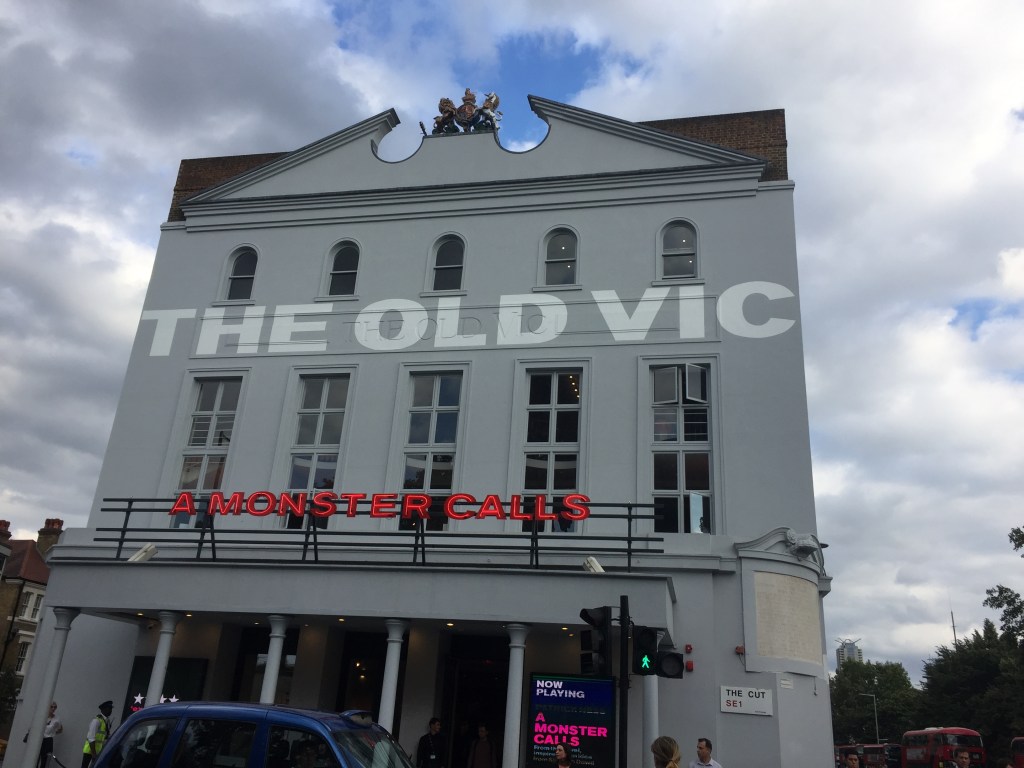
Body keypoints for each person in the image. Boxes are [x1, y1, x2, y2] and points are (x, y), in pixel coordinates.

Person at [81, 700, 114, 768]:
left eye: (111, 709)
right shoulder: (96, 721)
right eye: (109, 708)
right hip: (90, 752)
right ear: (103, 709)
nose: (111, 710)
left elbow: (104, 737)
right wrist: (94, 754)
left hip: (97, 751)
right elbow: (91, 738)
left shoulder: (106, 721)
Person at [39, 701, 64, 768]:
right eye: (51, 707)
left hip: (48, 740)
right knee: (35, 758)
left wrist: (53, 733)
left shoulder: (57, 719)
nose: (53, 708)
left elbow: (61, 729)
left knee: (44, 761)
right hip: (39, 739)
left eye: (55, 707)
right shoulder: (42, 716)